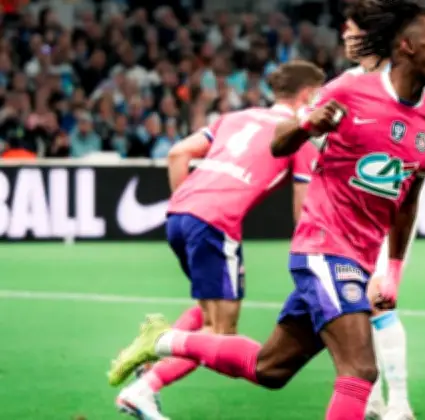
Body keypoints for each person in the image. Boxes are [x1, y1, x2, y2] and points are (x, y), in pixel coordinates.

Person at [107, 2, 425, 419]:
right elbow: (280, 142)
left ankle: (163, 340)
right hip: (325, 248)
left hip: (360, 258)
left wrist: (394, 269)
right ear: (407, 46)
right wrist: (308, 125)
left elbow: (408, 198)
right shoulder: (350, 89)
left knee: (269, 368)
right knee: (360, 369)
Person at [112, 60, 325, 420]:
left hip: (179, 216)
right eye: (319, 95)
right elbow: (303, 208)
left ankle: (150, 365)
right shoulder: (299, 135)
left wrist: (189, 205)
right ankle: (144, 388)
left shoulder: (236, 117)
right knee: (220, 333)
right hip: (215, 223)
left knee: (206, 311)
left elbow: (178, 153)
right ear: (306, 95)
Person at [335, 3, 425, 418]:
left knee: (378, 301)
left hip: (388, 213)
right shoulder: (350, 83)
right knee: (354, 306)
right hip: (348, 213)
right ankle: (373, 399)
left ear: (370, 35)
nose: (344, 36)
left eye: (351, 30)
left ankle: (400, 402)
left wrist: (400, 157)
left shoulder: (403, 81)